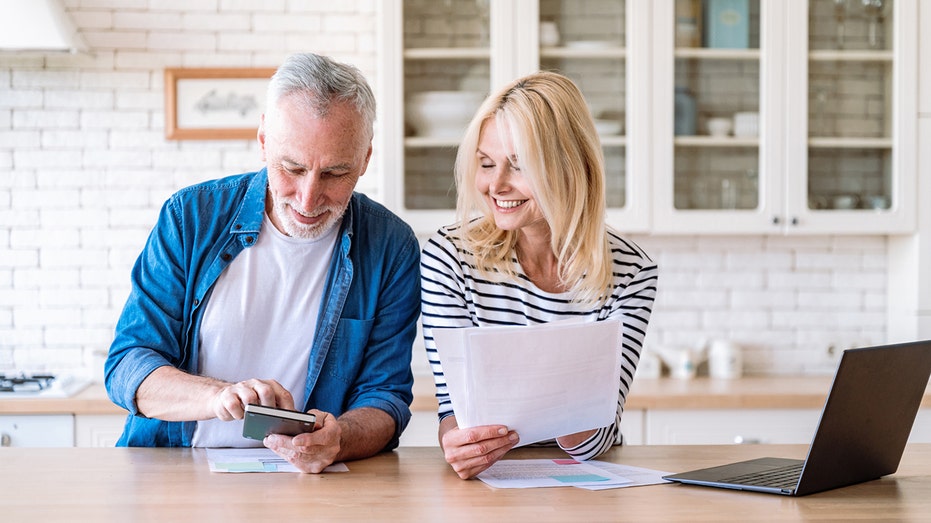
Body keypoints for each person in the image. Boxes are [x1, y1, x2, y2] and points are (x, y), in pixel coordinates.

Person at [105, 53, 421, 473]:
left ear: (364, 159)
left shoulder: (391, 246)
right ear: (263, 141)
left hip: (309, 483)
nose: (308, 199)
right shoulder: (190, 218)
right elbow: (127, 365)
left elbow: (386, 397)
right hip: (174, 468)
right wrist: (216, 398)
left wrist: (338, 439)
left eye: (335, 173)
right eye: (292, 168)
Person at [420, 71, 658, 479]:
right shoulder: (450, 256)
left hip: (584, 481)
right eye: (486, 163)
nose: (495, 185)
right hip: (489, 481)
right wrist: (458, 443)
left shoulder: (631, 271)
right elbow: (454, 410)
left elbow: (596, 438)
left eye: (519, 166)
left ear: (571, 167)